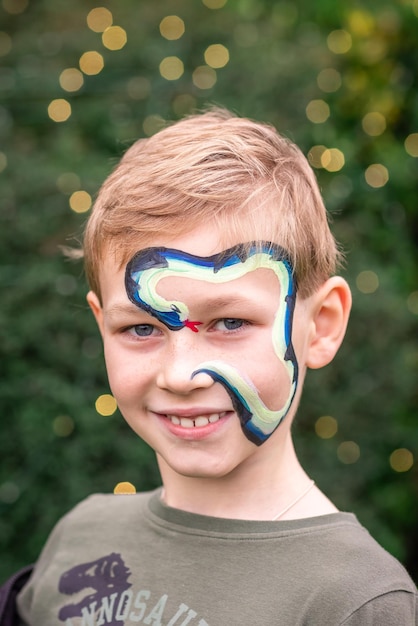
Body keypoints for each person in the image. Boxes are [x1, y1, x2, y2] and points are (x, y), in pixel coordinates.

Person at [15, 108, 416, 625]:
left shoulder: (356, 600)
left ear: (320, 325)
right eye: (141, 329)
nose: (181, 376)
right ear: (101, 326)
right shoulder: (79, 539)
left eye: (229, 322)